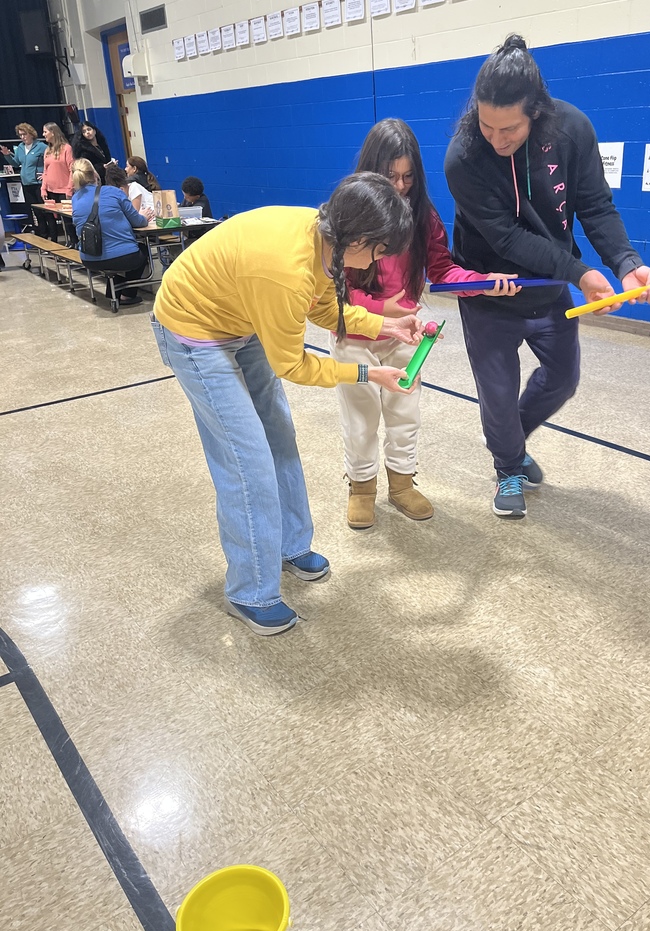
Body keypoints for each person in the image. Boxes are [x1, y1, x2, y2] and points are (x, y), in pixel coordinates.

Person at [151, 172, 421, 636]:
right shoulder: (284, 267)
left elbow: (317, 306)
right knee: (246, 459)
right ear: (355, 237)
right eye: (378, 250)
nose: (378, 261)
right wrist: (366, 372)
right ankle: (250, 591)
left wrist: (381, 326)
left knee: (279, 437)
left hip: (243, 319)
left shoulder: (322, 238)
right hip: (194, 331)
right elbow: (294, 366)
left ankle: (291, 546)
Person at [445, 34, 650, 521]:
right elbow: (507, 239)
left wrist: (625, 263)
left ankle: (511, 441)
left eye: (510, 129)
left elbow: (594, 206)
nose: (496, 139)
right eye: (486, 125)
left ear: (537, 112)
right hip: (489, 291)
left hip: (549, 287)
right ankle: (507, 466)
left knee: (563, 379)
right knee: (498, 394)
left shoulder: (572, 130)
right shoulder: (463, 158)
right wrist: (582, 272)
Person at [331, 118, 517, 530]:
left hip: (404, 337)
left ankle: (401, 483)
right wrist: (376, 315)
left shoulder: (423, 215)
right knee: (360, 419)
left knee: (404, 414)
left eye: (408, 177)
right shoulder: (349, 214)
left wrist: (484, 284)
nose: (399, 187)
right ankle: (362, 487)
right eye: (390, 176)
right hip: (355, 336)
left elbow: (443, 270)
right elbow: (332, 291)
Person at [71, 159, 151, 307]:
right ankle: (128, 295)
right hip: (124, 257)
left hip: (89, 259)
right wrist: (145, 217)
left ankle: (113, 293)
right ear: (95, 174)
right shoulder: (114, 192)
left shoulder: (75, 199)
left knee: (109, 252)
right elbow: (138, 221)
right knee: (141, 250)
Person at [0, 123, 47, 234]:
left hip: (38, 183)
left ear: (31, 134)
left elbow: (49, 162)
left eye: (24, 134)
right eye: (20, 135)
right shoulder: (20, 147)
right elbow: (16, 163)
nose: (22, 137)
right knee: (33, 211)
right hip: (26, 183)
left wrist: (45, 174)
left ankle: (49, 234)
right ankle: (40, 233)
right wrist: (7, 155)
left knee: (44, 211)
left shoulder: (41, 146)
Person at [40, 122, 74, 244]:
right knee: (54, 218)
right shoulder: (47, 150)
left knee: (68, 220)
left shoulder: (67, 148)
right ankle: (64, 243)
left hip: (64, 190)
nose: (43, 134)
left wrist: (69, 189)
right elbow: (45, 171)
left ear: (53, 132)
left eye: (45, 132)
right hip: (51, 190)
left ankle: (74, 242)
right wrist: (43, 188)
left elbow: (72, 169)